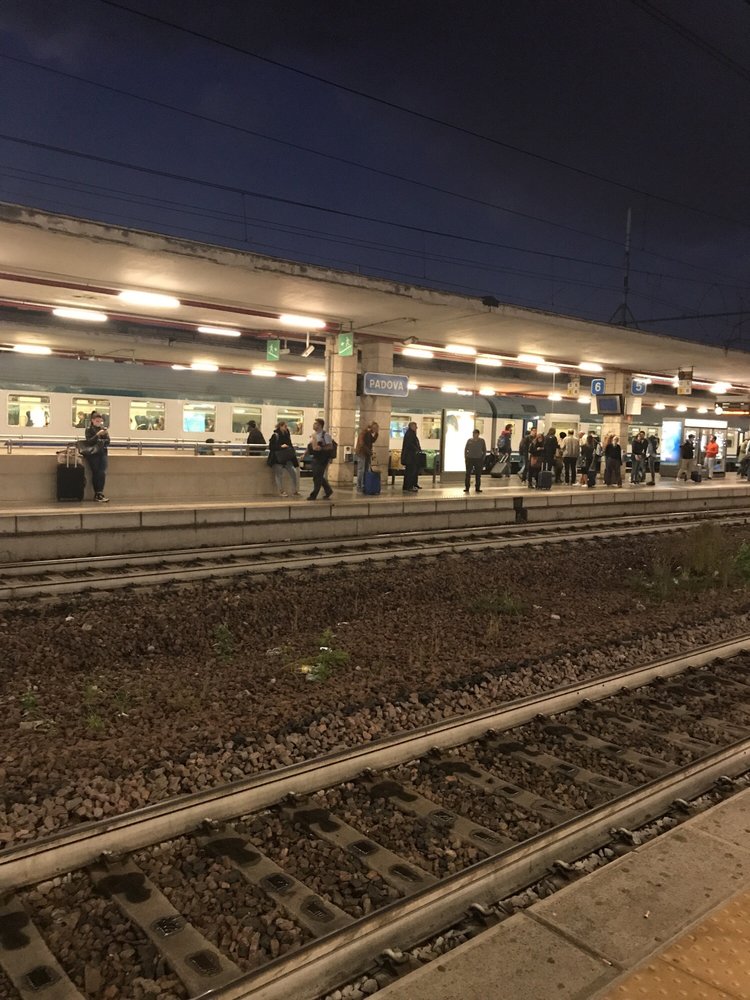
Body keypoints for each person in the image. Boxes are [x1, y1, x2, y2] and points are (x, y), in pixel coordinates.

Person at [267, 420, 300, 496]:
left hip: (286, 457)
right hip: (277, 458)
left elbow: (290, 444)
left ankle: (295, 490)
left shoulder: (287, 434)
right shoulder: (275, 435)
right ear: (280, 426)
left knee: (293, 473)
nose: (286, 428)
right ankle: (281, 491)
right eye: (285, 426)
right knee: (279, 474)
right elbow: (271, 447)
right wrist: (280, 446)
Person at [84, 410, 110, 502]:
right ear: (93, 420)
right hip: (93, 454)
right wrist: (97, 435)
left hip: (102, 453)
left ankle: (100, 492)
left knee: (102, 473)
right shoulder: (89, 430)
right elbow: (89, 441)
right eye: (97, 421)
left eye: (100, 421)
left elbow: (108, 441)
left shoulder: (103, 430)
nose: (99, 423)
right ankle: (97, 493)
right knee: (96, 473)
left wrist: (104, 436)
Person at [307, 417, 334, 500]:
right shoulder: (314, 435)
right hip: (315, 457)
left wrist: (321, 448)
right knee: (317, 475)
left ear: (320, 425)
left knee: (317, 476)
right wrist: (305, 454)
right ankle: (328, 490)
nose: (314, 425)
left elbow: (330, 446)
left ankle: (313, 495)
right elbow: (310, 446)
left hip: (323, 459)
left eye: (316, 424)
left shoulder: (325, 435)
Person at [355, 421, 379, 492]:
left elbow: (372, 440)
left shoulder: (369, 433)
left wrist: (376, 434)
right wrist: (368, 451)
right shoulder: (364, 432)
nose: (375, 430)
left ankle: (364, 484)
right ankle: (359, 485)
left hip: (366, 453)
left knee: (365, 470)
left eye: (377, 428)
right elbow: (362, 443)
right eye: (375, 428)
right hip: (361, 453)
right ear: (371, 427)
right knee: (361, 470)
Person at [401, 420, 421, 493]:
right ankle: (409, 486)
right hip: (410, 457)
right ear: (412, 426)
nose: (417, 428)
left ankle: (409, 485)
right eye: (415, 426)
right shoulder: (410, 434)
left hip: (410, 457)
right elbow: (410, 445)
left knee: (410, 472)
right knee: (410, 472)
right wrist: (417, 450)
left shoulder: (410, 433)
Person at [464, 428, 486, 493]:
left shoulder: (482, 441)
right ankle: (467, 487)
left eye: (475, 433)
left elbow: (484, 450)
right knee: (468, 474)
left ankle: (477, 488)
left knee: (478, 474)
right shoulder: (469, 441)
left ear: (478, 434)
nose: (474, 434)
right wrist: (466, 457)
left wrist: (483, 458)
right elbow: (466, 449)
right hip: (470, 459)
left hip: (478, 459)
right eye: (473, 433)